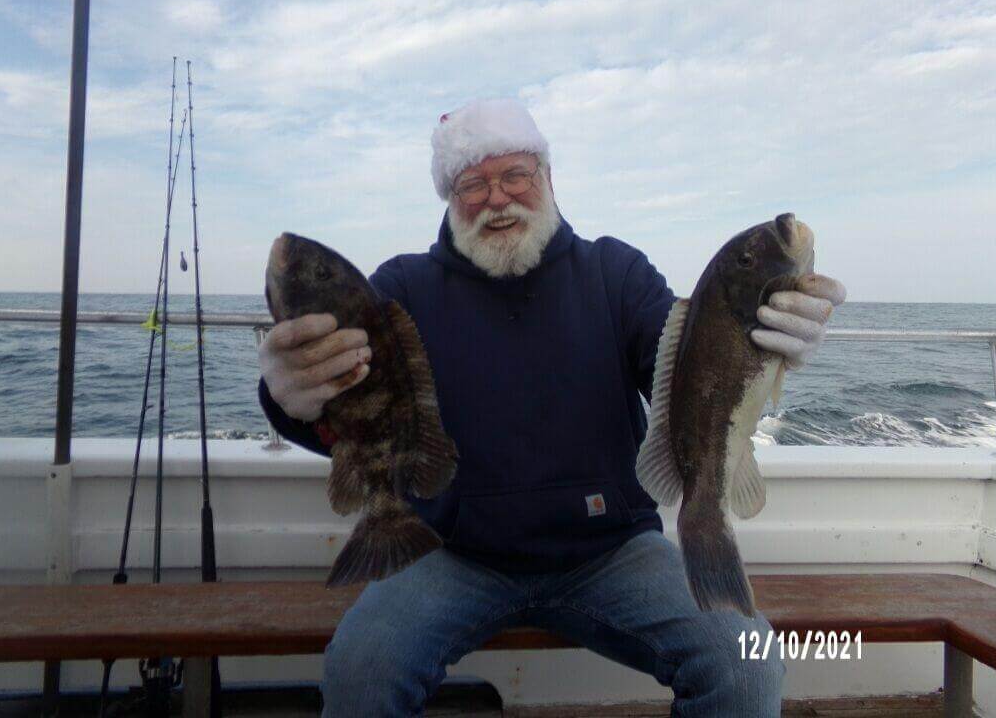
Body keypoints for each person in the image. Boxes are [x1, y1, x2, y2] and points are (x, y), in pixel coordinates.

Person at [258, 98, 846, 717]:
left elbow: (688, 364)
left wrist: (761, 339)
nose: (497, 197)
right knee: (361, 669)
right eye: (473, 183)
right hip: (451, 552)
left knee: (743, 663)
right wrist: (290, 396)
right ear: (449, 198)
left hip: (612, 552)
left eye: (516, 174)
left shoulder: (615, 272)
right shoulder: (402, 287)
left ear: (548, 179)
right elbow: (350, 409)